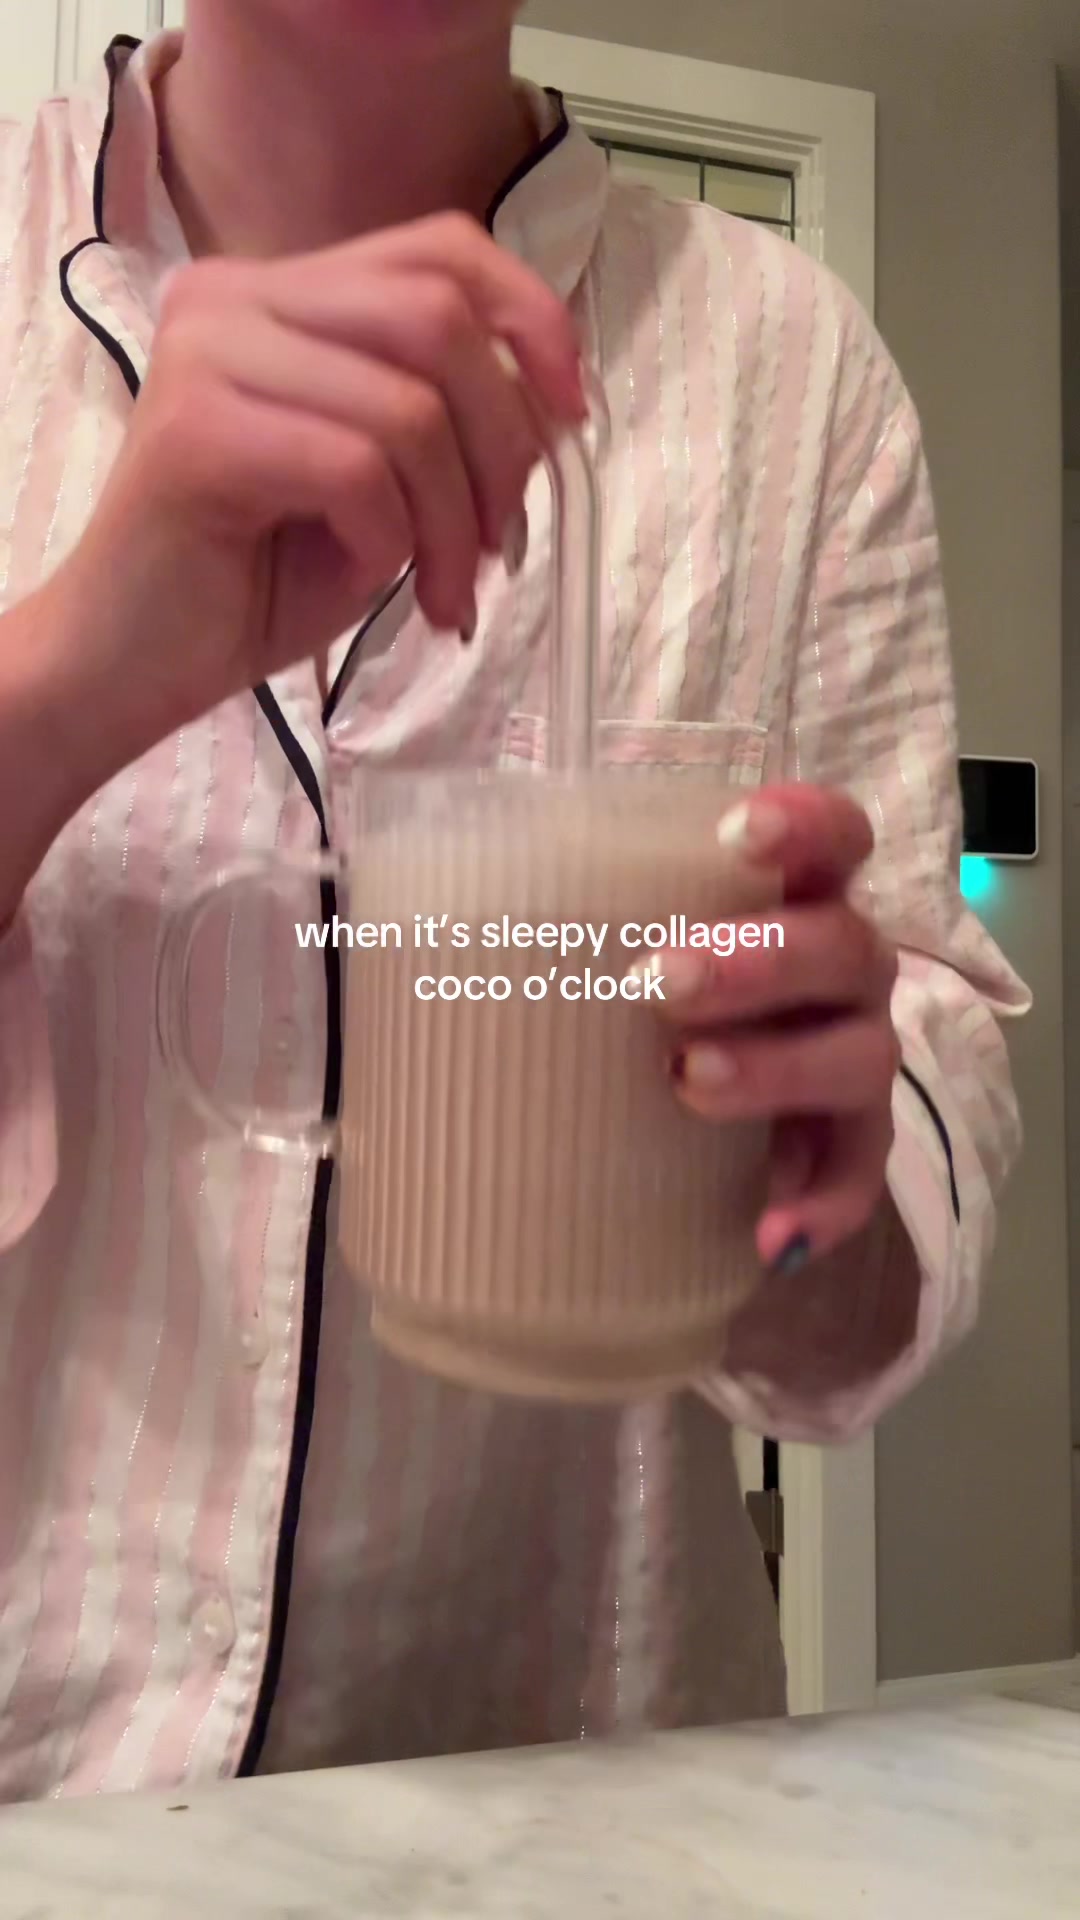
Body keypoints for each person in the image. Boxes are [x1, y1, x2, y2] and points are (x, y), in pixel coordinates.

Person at [0, 2, 1028, 1803]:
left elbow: (902, 1113)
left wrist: (809, 1181)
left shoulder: (790, 370)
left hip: (570, 1804)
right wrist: (78, 666)